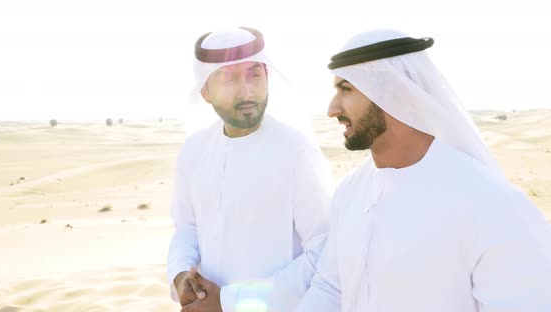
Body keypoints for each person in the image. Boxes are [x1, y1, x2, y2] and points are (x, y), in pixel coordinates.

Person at [297, 29, 551, 311]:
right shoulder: (350, 191)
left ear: (392, 91)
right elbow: (331, 288)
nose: (332, 108)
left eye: (346, 89)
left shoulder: (490, 204)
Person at [168, 27, 333, 312]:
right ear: (205, 91)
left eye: (254, 74)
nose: (246, 90)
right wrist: (181, 275)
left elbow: (325, 250)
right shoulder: (193, 151)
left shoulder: (295, 151)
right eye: (229, 78)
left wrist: (230, 302)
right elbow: (187, 226)